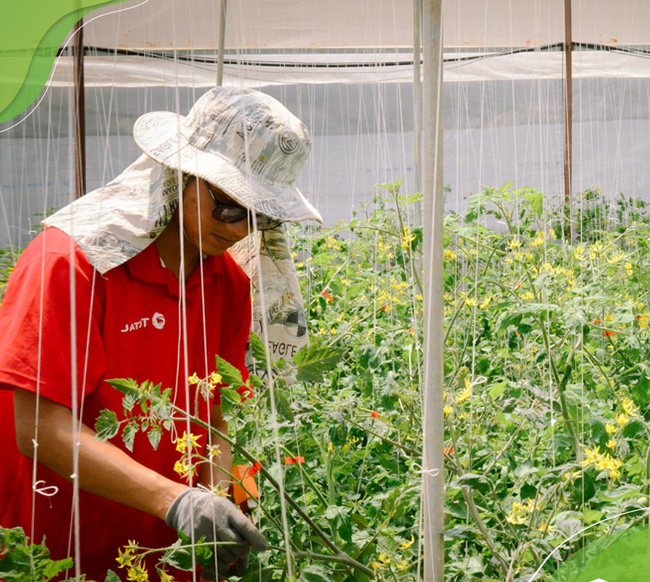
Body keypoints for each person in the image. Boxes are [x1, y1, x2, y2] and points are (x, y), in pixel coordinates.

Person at [0, 87, 322, 581]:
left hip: (167, 553)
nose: (239, 231)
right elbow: (40, 430)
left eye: (257, 215)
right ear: (182, 175)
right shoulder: (70, 263)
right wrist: (177, 501)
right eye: (229, 207)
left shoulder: (226, 283)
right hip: (60, 548)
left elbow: (211, 414)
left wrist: (220, 501)